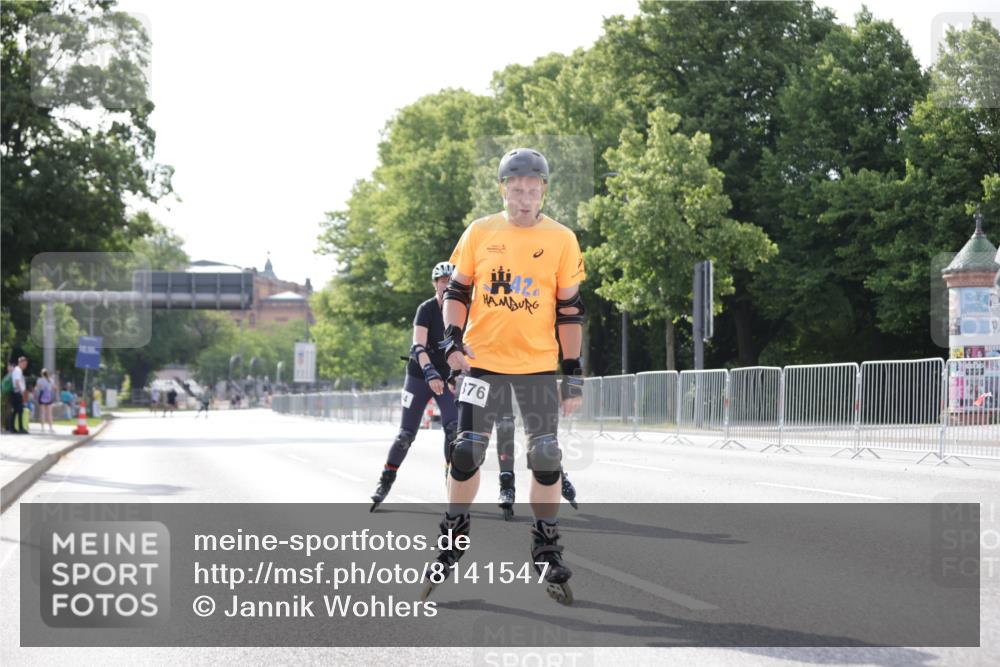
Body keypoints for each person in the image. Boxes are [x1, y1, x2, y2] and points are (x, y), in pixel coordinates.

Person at [422, 148, 586, 605]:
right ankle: (454, 532)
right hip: (483, 363)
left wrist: (572, 372)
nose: (524, 198)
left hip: (536, 365)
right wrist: (452, 341)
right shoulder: (480, 232)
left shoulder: (562, 239)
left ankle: (546, 545)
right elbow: (457, 289)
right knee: (466, 451)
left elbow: (570, 309)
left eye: (533, 190)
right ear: (504, 189)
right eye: (516, 190)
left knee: (547, 455)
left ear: (543, 191)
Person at [369, 261, 460, 510]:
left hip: (447, 375)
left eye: (451, 281)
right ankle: (386, 478)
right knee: (405, 436)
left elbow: (465, 346)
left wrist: (455, 374)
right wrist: (430, 372)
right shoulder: (426, 309)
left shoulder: (462, 310)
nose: (447, 285)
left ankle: (450, 479)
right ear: (435, 284)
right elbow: (418, 345)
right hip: (420, 374)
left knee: (454, 431)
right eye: (443, 281)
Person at [493, 384, 579, 520]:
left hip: (528, 368)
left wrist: (572, 385)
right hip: (498, 368)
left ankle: (556, 470)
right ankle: (506, 484)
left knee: (542, 437)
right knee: (505, 426)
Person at [7, 356, 29, 434]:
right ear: (20, 363)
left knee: (16, 411)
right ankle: (20, 428)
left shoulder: (17, 370)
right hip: (17, 392)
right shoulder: (18, 370)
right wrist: (22, 392)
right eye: (24, 363)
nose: (25, 365)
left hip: (16, 392)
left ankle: (12, 428)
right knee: (19, 411)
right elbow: (17, 382)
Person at [33, 369, 55, 433]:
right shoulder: (51, 380)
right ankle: (50, 428)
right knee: (49, 413)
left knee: (42, 413)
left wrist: (35, 394)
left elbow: (36, 388)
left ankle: (42, 428)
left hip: (42, 396)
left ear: (41, 374)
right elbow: (54, 388)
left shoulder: (39, 380)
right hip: (48, 397)